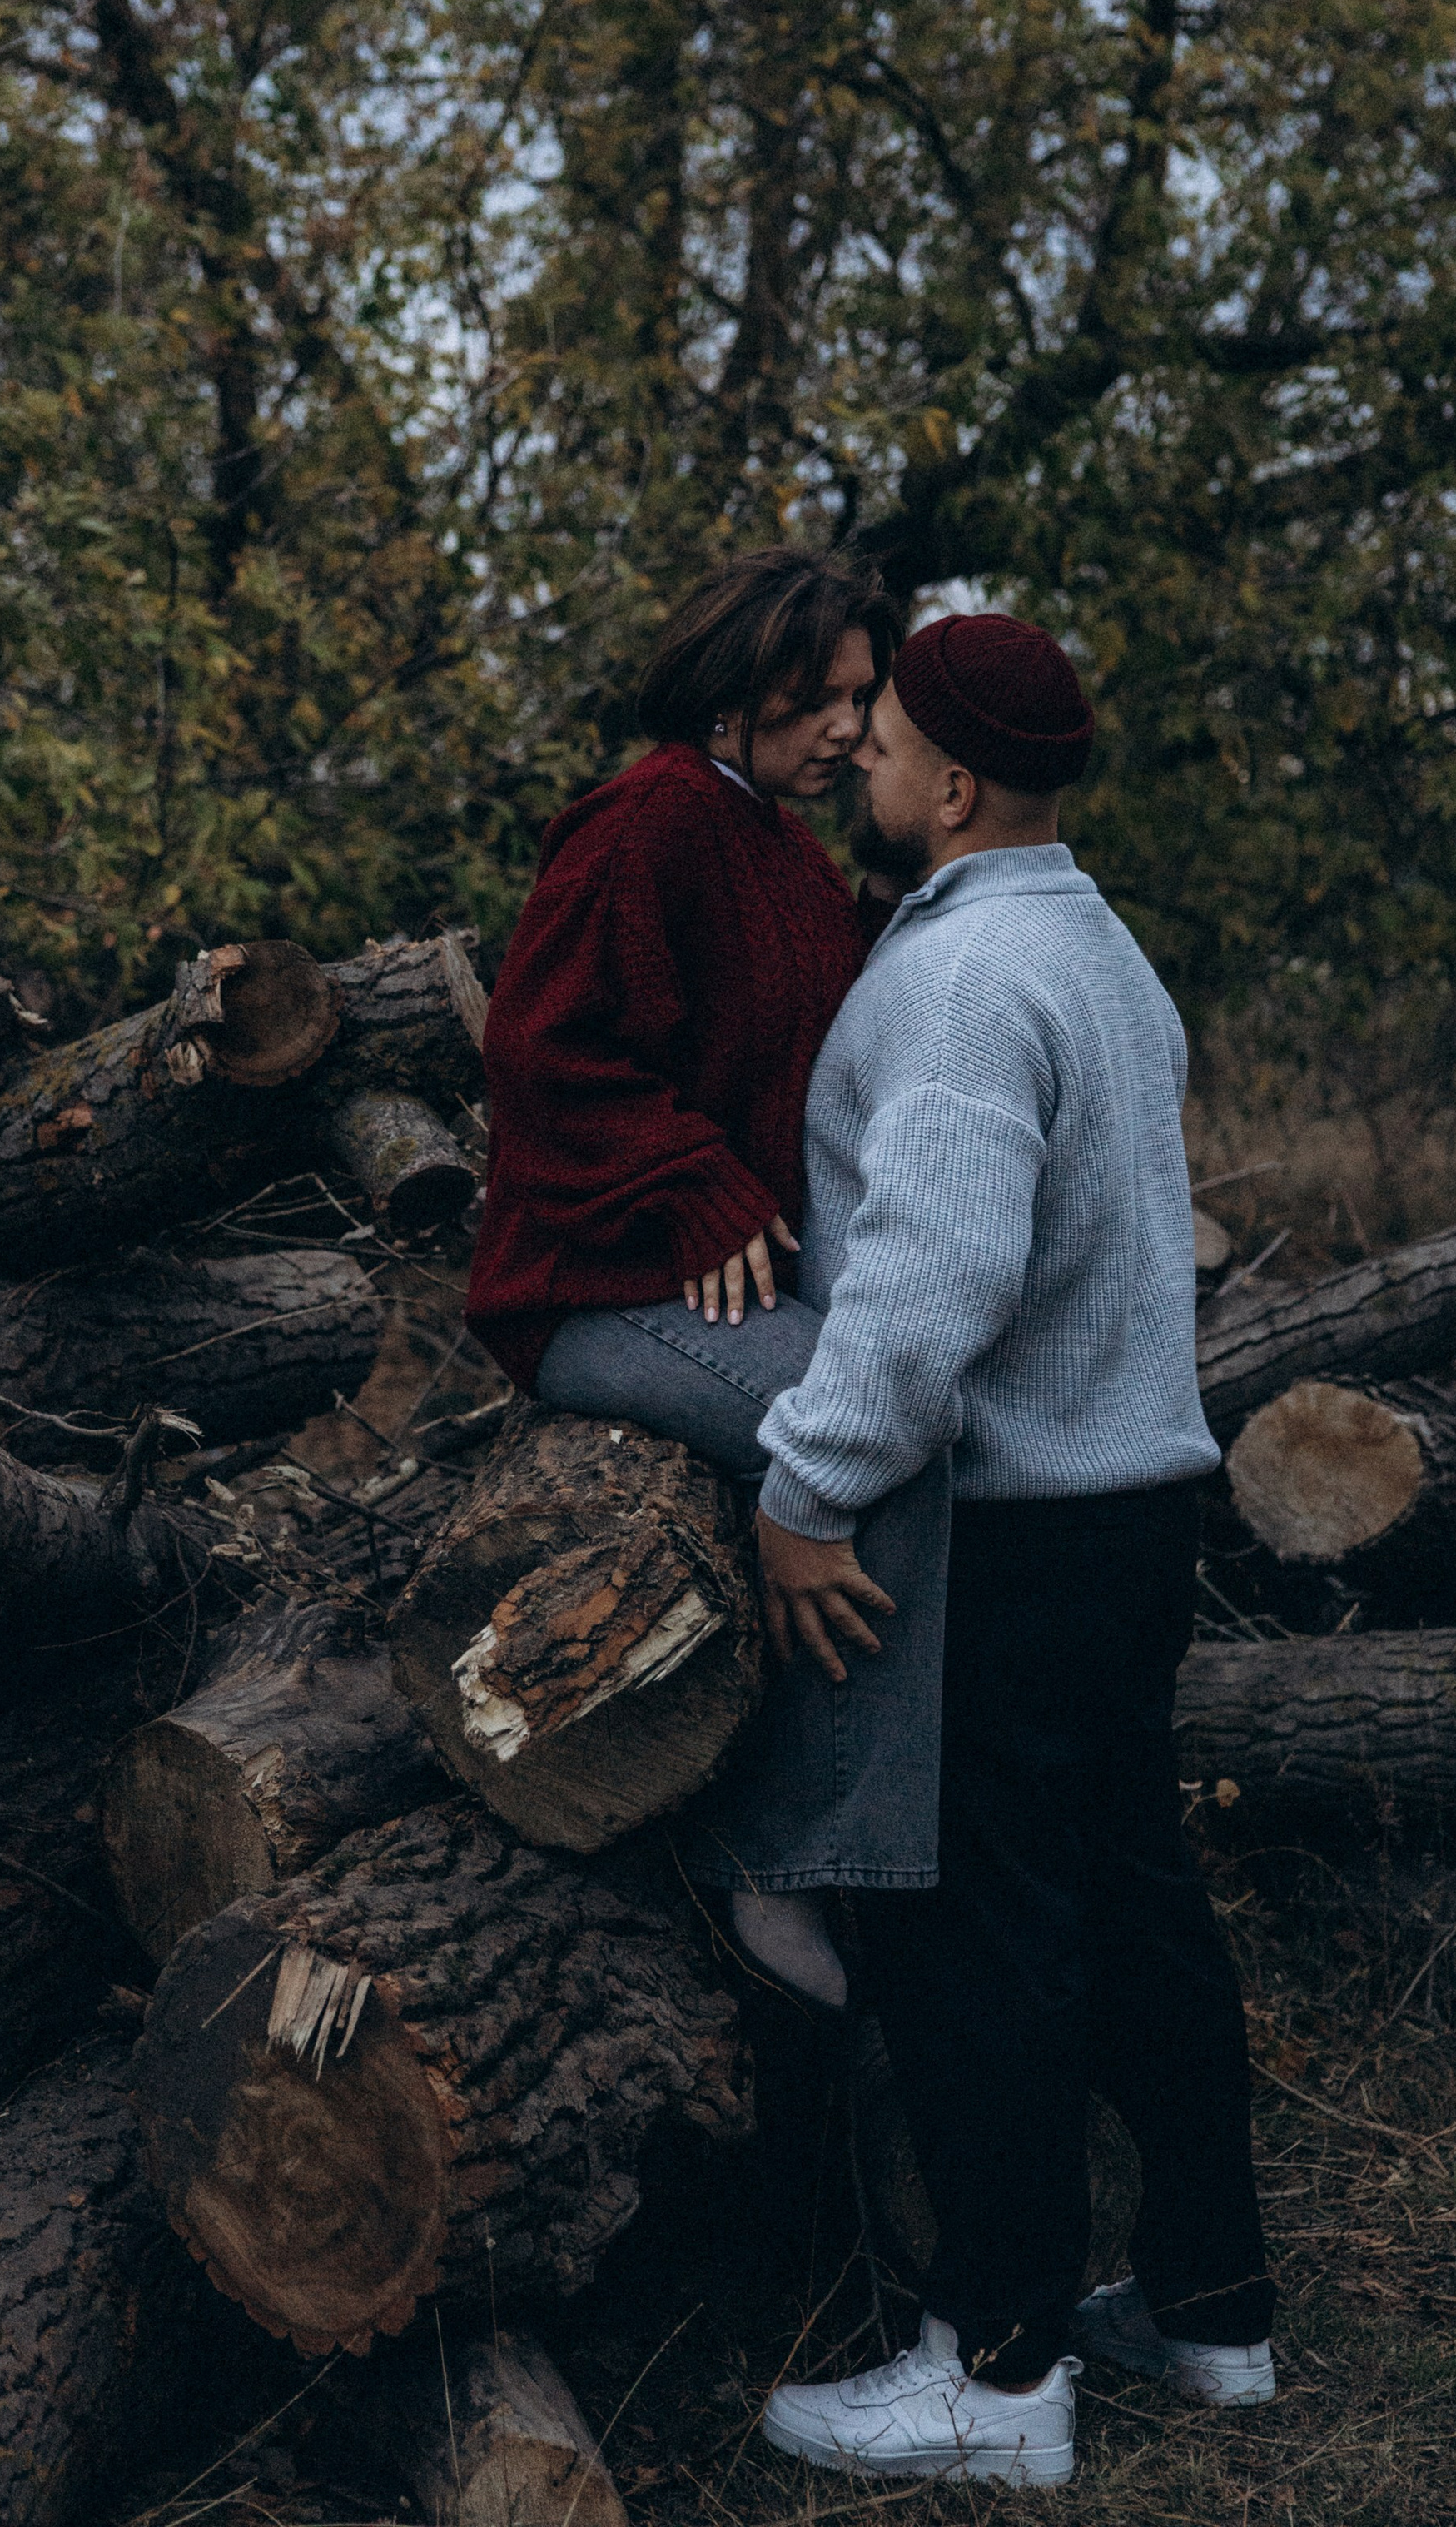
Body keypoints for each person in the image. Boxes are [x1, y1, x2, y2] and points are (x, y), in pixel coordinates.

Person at [751, 613, 1274, 2494]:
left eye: (878, 738)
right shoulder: (1100, 954)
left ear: (951, 784)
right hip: (1133, 1509)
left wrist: (804, 1486)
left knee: (978, 1935)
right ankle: (1211, 2309)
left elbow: (928, 1284)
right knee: (1131, 1903)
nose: (859, 761)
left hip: (1011, 1528)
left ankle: (994, 2367)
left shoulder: (964, 979)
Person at [465, 547, 944, 2012]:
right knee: (874, 1438)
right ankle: (786, 1855)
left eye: (866, 702)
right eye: (822, 702)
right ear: (739, 691)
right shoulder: (647, 818)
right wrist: (690, 1180)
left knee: (900, 1416)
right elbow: (539, 1050)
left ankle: (871, 1832)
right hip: (589, 1289)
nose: (851, 734)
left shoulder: (784, 849)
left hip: (697, 1295)